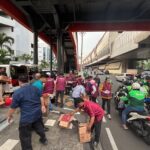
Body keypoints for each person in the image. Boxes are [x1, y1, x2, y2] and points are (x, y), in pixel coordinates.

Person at [7, 75, 48, 150]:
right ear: (28, 80)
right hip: (37, 114)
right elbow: (41, 97)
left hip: (26, 118)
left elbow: (12, 108)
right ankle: (44, 139)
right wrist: (42, 106)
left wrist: (9, 116)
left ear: (19, 82)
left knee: (25, 136)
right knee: (39, 128)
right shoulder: (35, 88)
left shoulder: (17, 92)